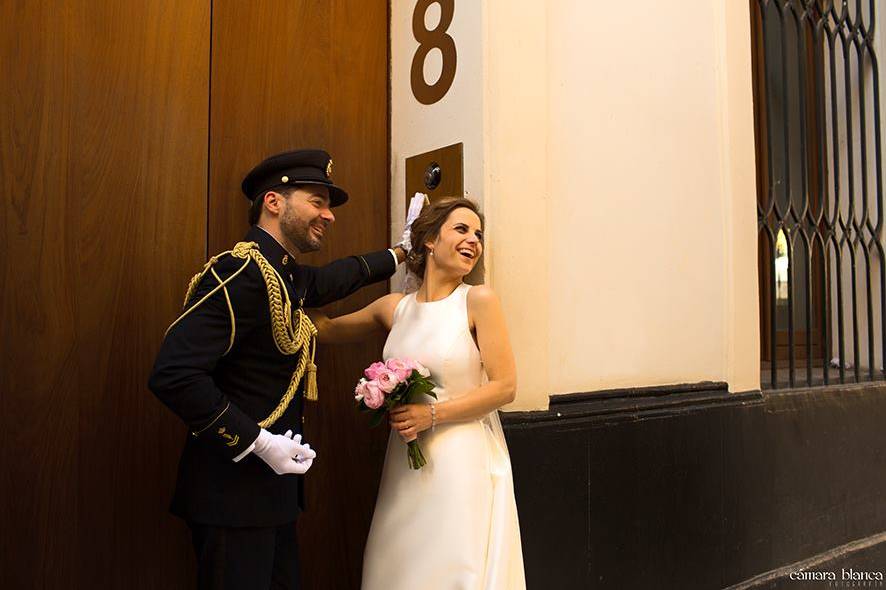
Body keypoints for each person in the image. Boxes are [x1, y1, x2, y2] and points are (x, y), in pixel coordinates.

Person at [148, 149, 407, 590]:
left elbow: (335, 278)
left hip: (272, 497)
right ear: (274, 202)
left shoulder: (285, 277)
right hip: (230, 496)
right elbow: (173, 374)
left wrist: (401, 251)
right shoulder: (239, 273)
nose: (329, 216)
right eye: (318, 201)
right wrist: (258, 442)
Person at [310, 197, 526, 589]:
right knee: (394, 563)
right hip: (404, 463)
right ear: (428, 239)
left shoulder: (477, 300)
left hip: (460, 460)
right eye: (461, 229)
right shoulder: (395, 308)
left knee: (448, 566)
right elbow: (322, 329)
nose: (473, 241)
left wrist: (433, 415)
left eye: (478, 235)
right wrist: (276, 282)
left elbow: (505, 387)